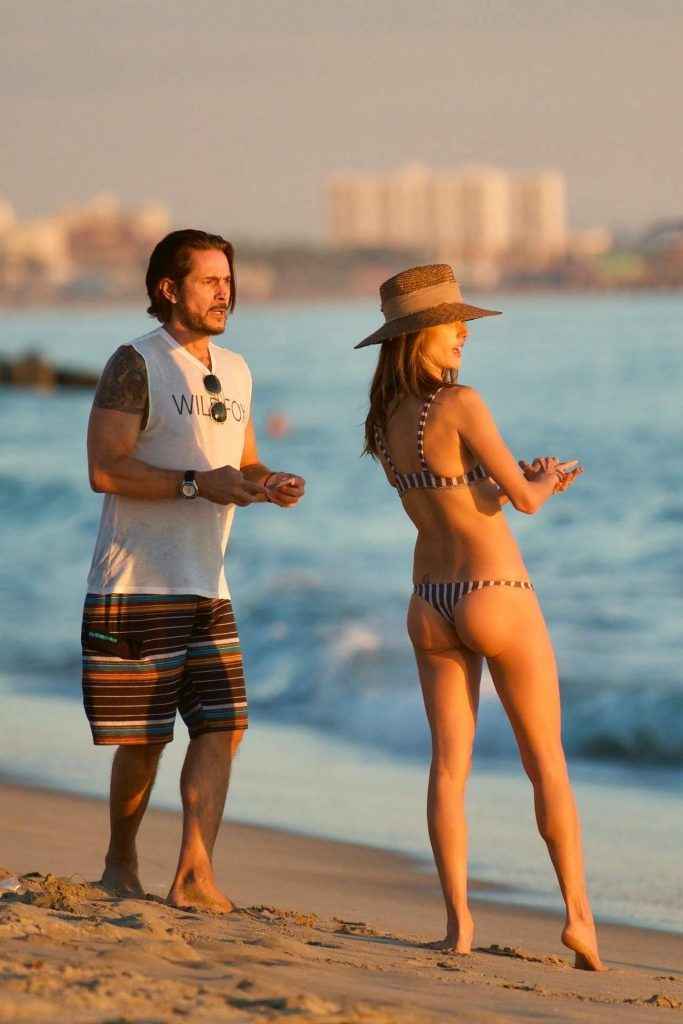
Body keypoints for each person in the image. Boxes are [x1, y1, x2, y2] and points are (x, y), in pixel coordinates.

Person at [357, 264, 605, 971]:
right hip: (494, 588)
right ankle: (578, 919)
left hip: (429, 600)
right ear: (418, 335)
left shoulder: (384, 421)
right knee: (545, 762)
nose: (463, 333)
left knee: (447, 768)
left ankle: (458, 925)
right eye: (452, 324)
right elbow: (523, 502)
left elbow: (451, 498)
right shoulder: (460, 402)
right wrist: (545, 480)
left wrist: (504, 483)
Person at [83, 229, 305, 912]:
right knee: (144, 741)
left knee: (224, 724)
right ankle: (120, 861)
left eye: (227, 280)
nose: (224, 292)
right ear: (168, 289)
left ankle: (193, 874)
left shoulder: (236, 370)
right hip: (136, 583)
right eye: (209, 281)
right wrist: (194, 485)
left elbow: (242, 460)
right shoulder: (135, 362)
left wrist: (267, 482)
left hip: (209, 583)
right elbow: (105, 468)